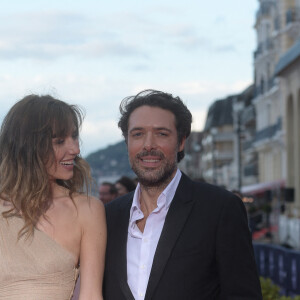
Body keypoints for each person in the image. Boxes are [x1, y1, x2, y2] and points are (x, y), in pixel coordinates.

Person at [104, 90, 262, 299]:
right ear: (127, 143)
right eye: (138, 134)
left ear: (180, 142)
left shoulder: (220, 209)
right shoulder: (108, 216)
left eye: (161, 133)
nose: (148, 145)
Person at [0, 95, 106, 300]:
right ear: (28, 146)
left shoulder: (87, 210)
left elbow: (91, 295)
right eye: (60, 141)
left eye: (74, 137)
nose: (75, 149)